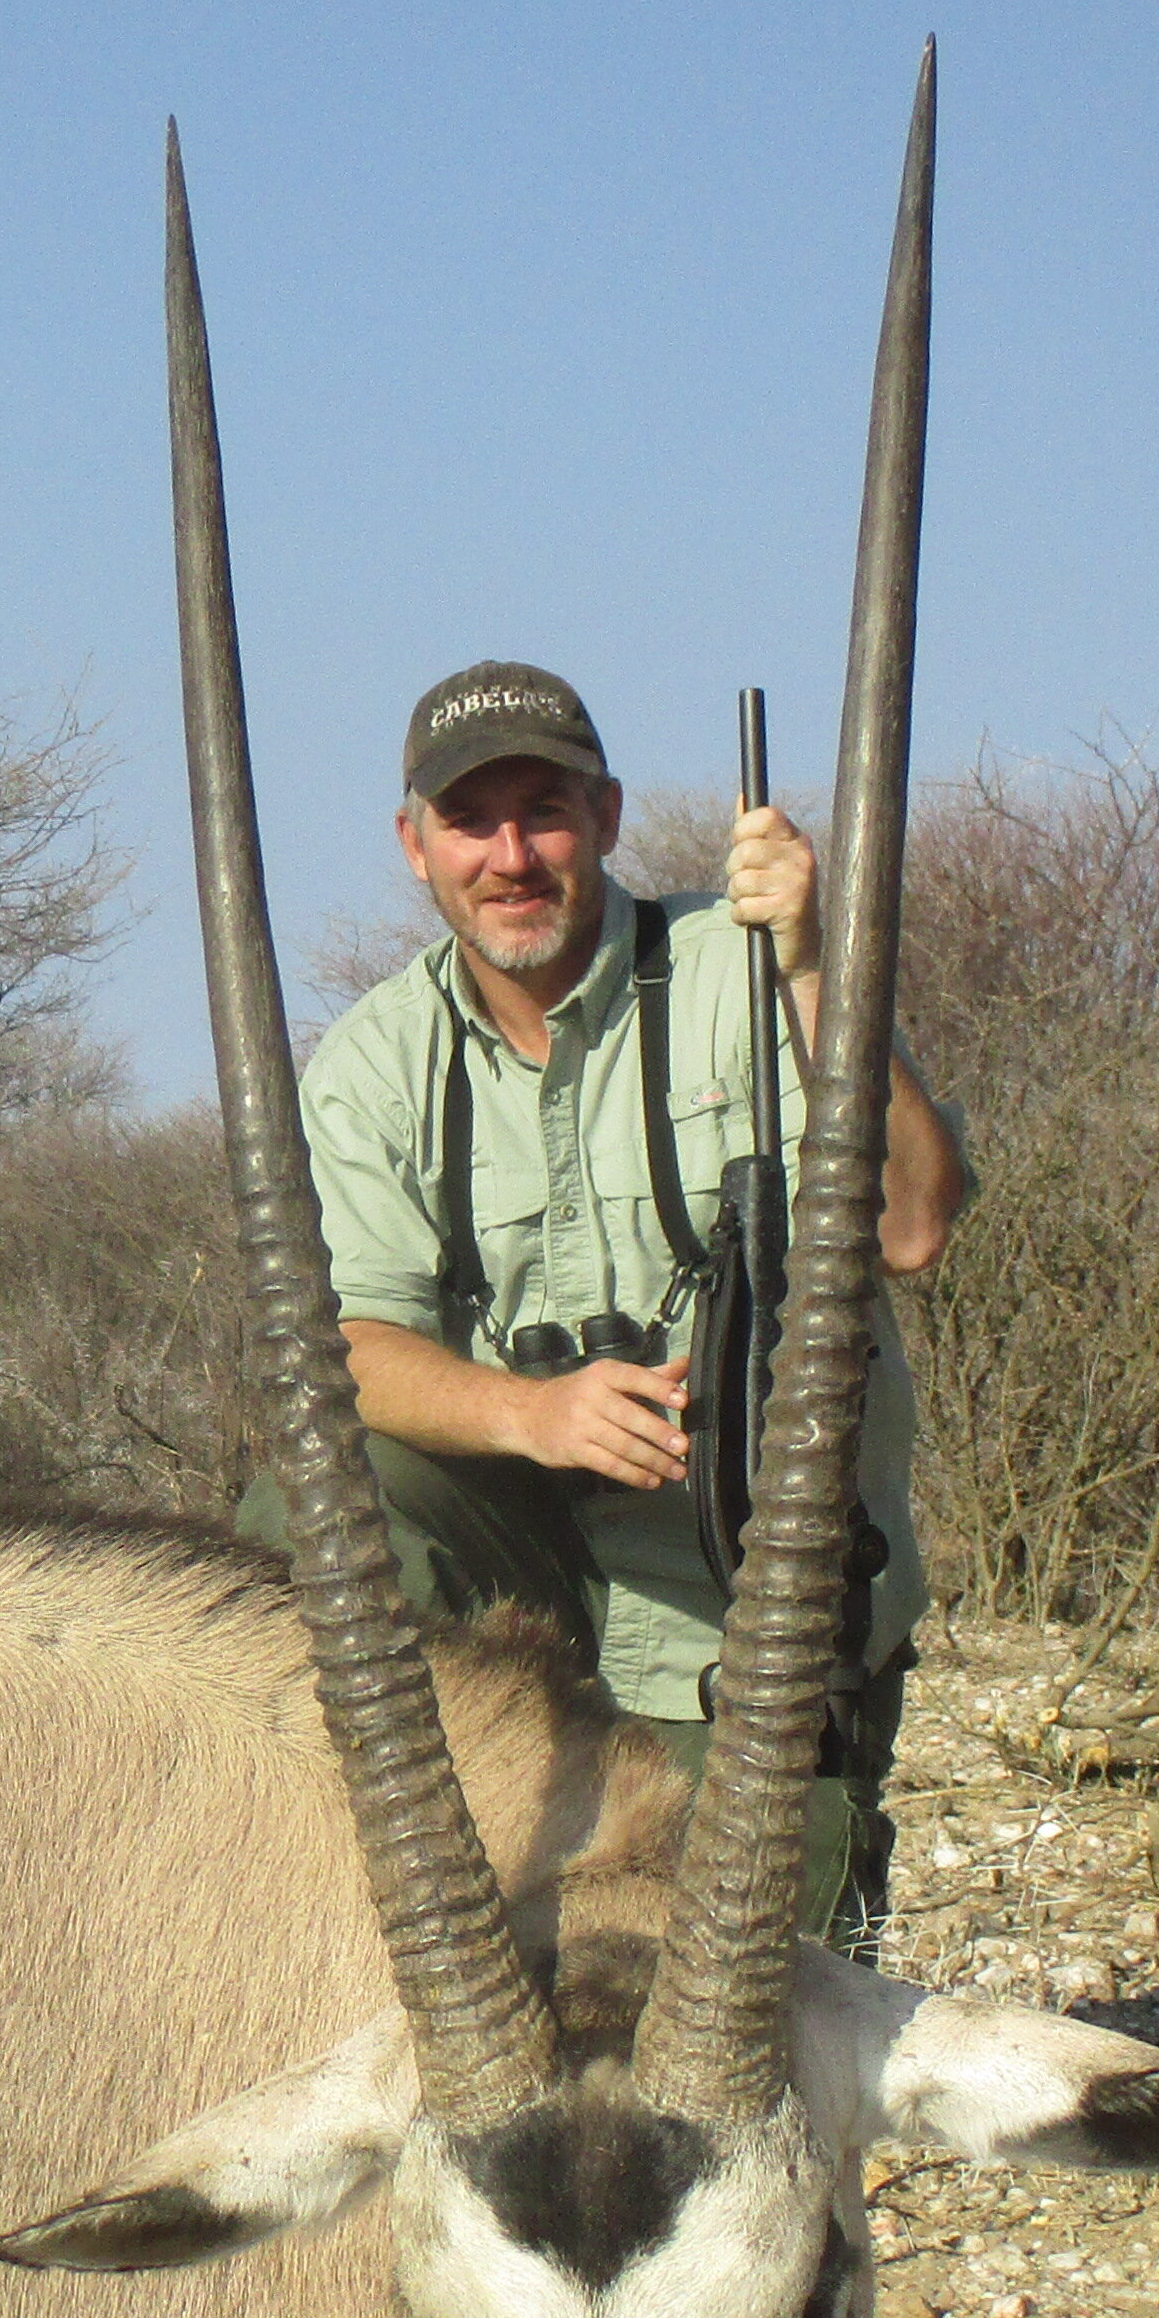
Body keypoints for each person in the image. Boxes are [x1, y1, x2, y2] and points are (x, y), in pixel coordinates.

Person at [243, 659, 966, 1936]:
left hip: (752, 1606)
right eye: (472, 821)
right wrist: (535, 1416)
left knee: (744, 2006)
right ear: (414, 846)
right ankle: (346, 1884)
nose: (511, 855)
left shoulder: (745, 969)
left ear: (611, 817)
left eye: (546, 810)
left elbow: (910, 1225)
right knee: (312, 1483)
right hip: (523, 1612)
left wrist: (817, 965)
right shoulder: (369, 1067)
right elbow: (347, 1347)